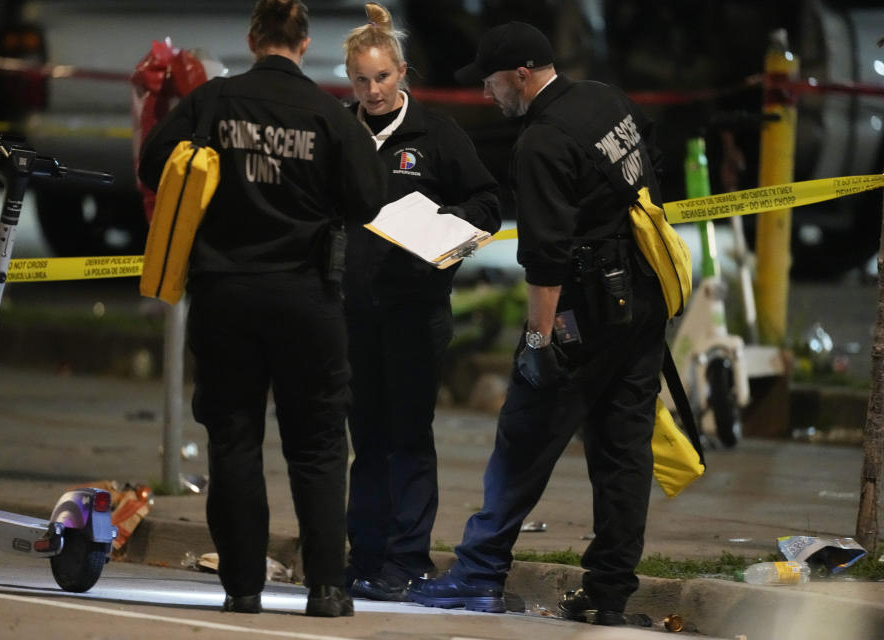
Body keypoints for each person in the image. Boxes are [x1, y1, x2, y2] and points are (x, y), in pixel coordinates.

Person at [407, 21, 668, 627]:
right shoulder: (605, 98)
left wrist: (536, 342)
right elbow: (650, 158)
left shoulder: (541, 142)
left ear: (521, 75)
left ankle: (477, 574)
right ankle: (609, 592)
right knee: (624, 452)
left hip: (582, 312)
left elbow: (545, 259)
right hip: (642, 302)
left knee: (523, 440)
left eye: (492, 81)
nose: (486, 93)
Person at [138, 0, 386, 618]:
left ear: (254, 40)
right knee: (320, 445)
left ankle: (242, 587)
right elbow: (369, 199)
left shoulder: (214, 103)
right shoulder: (329, 114)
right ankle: (327, 588)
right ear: (303, 45)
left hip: (226, 295)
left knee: (235, 440)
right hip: (307, 298)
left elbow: (152, 166)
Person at [340, 3, 501, 602]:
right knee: (367, 439)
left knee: (408, 435)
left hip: (416, 313)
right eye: (362, 79)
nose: (374, 90)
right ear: (349, 79)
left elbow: (487, 200)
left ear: (402, 72)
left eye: (383, 77)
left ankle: (406, 559)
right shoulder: (340, 131)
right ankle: (363, 556)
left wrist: (448, 228)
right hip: (353, 313)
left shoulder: (437, 137)